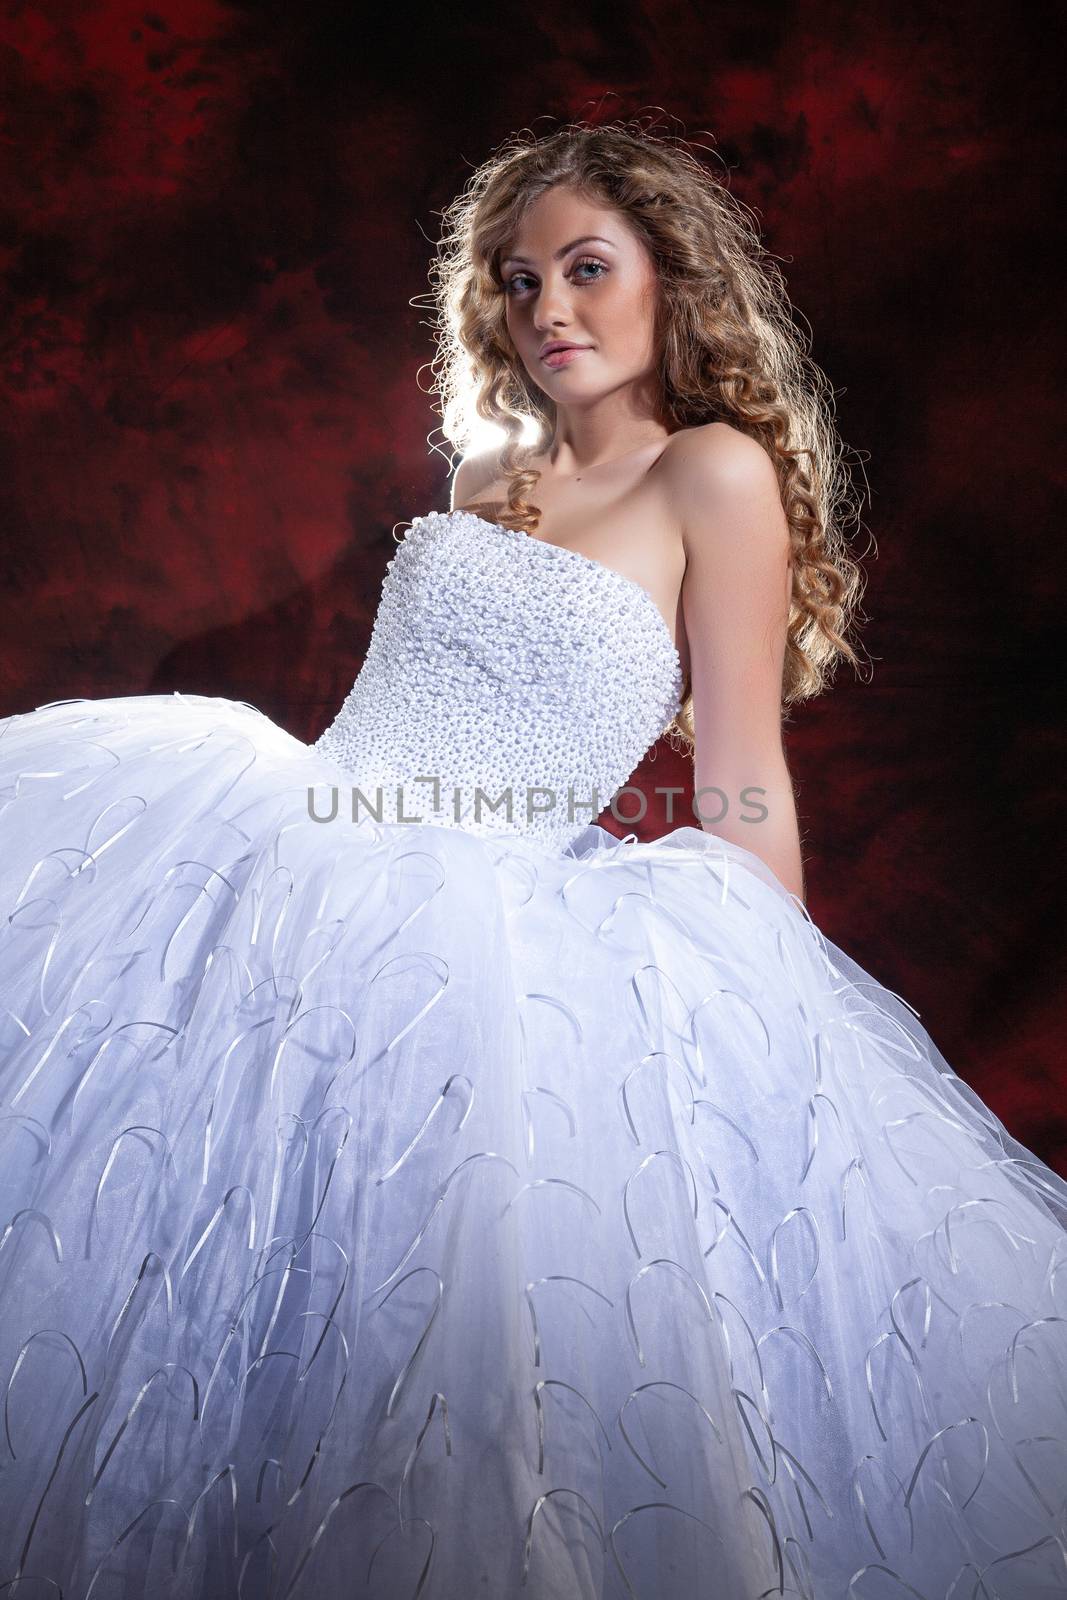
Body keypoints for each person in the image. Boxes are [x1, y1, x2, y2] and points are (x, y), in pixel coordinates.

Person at [0, 120, 1064, 1600]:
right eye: (517, 281)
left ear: (669, 281)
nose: (548, 309)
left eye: (585, 269)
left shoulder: (713, 476)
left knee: (457, 1332)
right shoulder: (484, 467)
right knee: (190, 1258)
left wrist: (779, 1015)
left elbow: (743, 766)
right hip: (308, 848)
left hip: (489, 930)